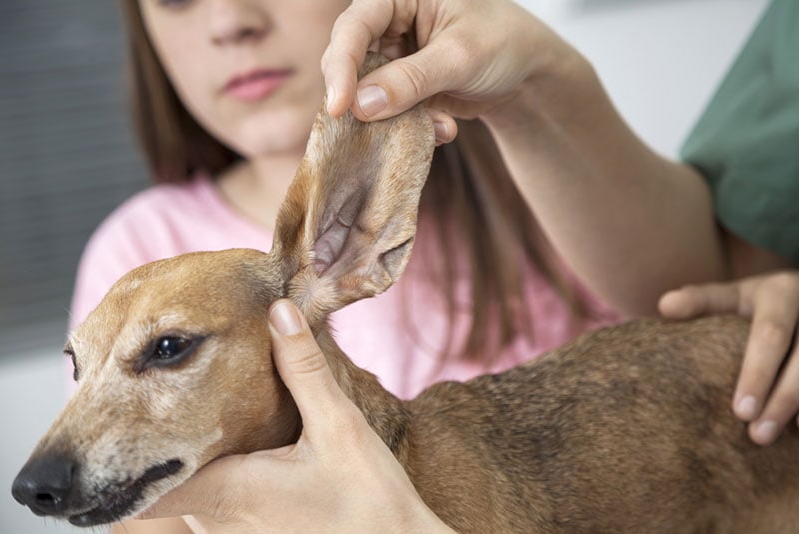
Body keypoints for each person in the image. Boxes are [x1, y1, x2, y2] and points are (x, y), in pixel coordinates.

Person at [64, 0, 796, 532]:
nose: (229, 20)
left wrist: (540, 83)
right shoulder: (132, 250)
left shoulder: (543, 186)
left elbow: (700, 288)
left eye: (167, 348)